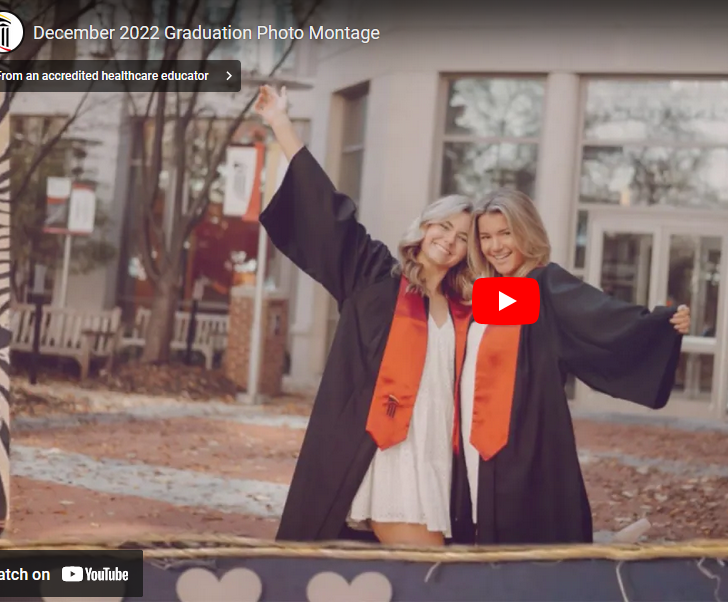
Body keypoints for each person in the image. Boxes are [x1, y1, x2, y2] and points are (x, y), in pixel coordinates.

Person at [254, 85, 474, 546]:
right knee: (431, 576)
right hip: (390, 453)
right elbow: (325, 206)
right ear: (426, 225)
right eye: (445, 225)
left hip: (442, 458)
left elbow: (540, 302)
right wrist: (280, 123)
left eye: (463, 237)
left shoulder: (470, 304)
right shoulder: (374, 276)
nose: (450, 240)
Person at [449, 189, 692, 545]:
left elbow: (600, 318)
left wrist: (662, 323)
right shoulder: (495, 292)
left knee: (524, 545)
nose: (495, 246)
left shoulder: (545, 284)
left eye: (506, 233)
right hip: (473, 440)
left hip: (524, 438)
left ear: (526, 232)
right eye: (486, 237)